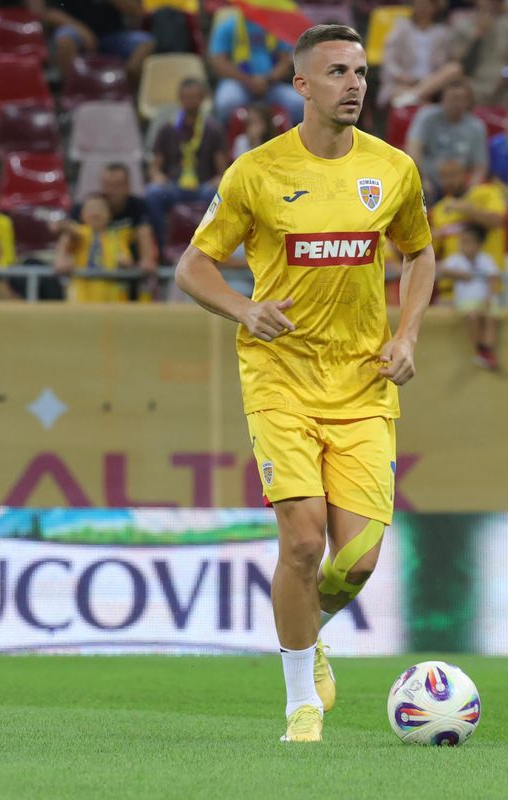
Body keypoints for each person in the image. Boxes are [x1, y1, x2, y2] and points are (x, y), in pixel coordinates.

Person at [173, 25, 436, 743]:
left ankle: (307, 625)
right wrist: (242, 307)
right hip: (280, 377)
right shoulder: (255, 172)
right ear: (303, 86)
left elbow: (419, 254)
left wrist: (407, 333)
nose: (355, 83)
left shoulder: (393, 170)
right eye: (338, 72)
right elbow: (193, 266)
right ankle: (300, 705)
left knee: (357, 560)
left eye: (361, 71)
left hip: (363, 383)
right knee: (302, 542)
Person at [147, 78, 228, 250]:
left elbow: (222, 169)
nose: (189, 101)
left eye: (194, 97)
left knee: (217, 195)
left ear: (202, 99)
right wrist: (157, 175)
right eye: (186, 97)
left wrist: (218, 179)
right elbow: (156, 165)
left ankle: (208, 248)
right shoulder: (168, 128)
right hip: (174, 186)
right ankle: (162, 248)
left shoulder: (213, 128)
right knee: (153, 193)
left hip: (203, 187)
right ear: (180, 99)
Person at [449, 0, 508, 122]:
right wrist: (478, 35)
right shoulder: (462, 26)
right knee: (457, 86)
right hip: (472, 83)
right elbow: (459, 66)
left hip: (503, 84)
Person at [209, 6, 304, 126]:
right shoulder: (228, 27)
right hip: (238, 83)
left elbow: (286, 60)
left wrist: (268, 80)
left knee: (299, 103)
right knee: (227, 103)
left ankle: (294, 142)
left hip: (270, 84)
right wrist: (248, 81)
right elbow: (218, 61)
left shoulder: (275, 28)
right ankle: (225, 142)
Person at [428, 158, 507, 299]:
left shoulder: (487, 193)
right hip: (451, 291)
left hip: (487, 287)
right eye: (444, 177)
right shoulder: (441, 208)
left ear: (465, 174)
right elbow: (432, 251)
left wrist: (466, 209)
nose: (449, 181)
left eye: (453, 175)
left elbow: (496, 222)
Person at [74, 162, 158, 296]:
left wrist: (147, 259)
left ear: (127, 186)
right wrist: (62, 255)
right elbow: (70, 230)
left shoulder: (138, 206)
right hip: (90, 258)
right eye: (107, 185)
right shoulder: (90, 204)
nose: (111, 190)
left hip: (125, 260)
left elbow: (144, 231)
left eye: (117, 186)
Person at [405, 80, 489, 198]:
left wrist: (470, 190)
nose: (457, 103)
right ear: (443, 99)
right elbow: (413, 151)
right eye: (453, 98)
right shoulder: (426, 117)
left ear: (467, 102)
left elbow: (480, 167)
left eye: (461, 99)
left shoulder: (477, 127)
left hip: (460, 187)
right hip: (429, 183)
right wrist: (422, 180)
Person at [45, 0, 156, 84]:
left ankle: (124, 89)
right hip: (76, 31)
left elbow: (138, 11)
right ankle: (72, 92)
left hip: (113, 34)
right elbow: (49, 12)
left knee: (145, 43)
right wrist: (81, 29)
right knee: (65, 39)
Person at [441, 224, 500, 369]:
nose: (463, 245)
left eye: (468, 242)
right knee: (473, 316)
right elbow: (444, 270)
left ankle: (487, 349)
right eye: (462, 241)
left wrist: (490, 297)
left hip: (484, 299)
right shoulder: (456, 259)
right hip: (466, 301)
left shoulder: (485, 259)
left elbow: (493, 278)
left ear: (478, 245)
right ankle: (479, 349)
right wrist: (460, 274)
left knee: (491, 317)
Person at [55, 193, 132, 302]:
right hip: (82, 297)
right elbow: (71, 232)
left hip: (111, 298)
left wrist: (125, 261)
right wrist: (64, 225)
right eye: (91, 208)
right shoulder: (81, 232)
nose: (96, 212)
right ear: (82, 215)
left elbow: (127, 259)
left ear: (110, 214)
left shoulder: (117, 237)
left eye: (100, 208)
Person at [378, 0, 454, 109]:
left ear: (435, 8)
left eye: (427, 5)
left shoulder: (443, 32)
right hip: (404, 80)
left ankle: (414, 95)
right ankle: (418, 96)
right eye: (419, 4)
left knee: (454, 69)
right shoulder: (401, 27)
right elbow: (388, 60)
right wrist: (401, 76)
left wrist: (428, 80)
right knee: (420, 100)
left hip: (431, 81)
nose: (423, 8)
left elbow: (444, 64)